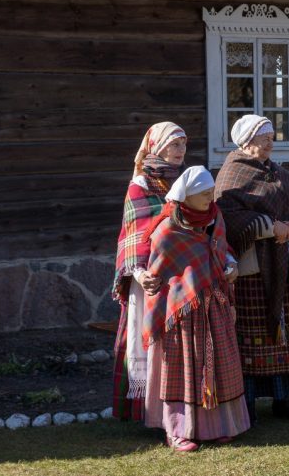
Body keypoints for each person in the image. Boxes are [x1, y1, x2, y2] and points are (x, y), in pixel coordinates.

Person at [215, 114, 289, 423]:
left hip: (287, 265)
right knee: (255, 332)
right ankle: (246, 400)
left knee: (288, 331)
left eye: (272, 135)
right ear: (246, 141)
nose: (270, 141)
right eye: (264, 136)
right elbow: (228, 215)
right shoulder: (231, 174)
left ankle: (283, 398)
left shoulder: (281, 174)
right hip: (254, 270)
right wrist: (274, 228)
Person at [141, 166, 249, 451]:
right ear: (187, 195)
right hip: (183, 309)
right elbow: (162, 268)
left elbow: (221, 249)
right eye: (204, 194)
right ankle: (178, 429)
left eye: (212, 192)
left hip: (214, 301)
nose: (210, 198)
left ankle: (220, 426)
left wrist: (230, 265)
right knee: (184, 368)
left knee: (220, 364)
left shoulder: (214, 217)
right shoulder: (167, 227)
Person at [111, 121, 187, 422]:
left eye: (183, 145)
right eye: (174, 144)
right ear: (157, 147)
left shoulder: (186, 180)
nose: (180, 151)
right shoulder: (140, 186)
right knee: (152, 344)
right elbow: (135, 232)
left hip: (184, 273)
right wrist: (140, 272)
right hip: (152, 277)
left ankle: (178, 407)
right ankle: (149, 411)